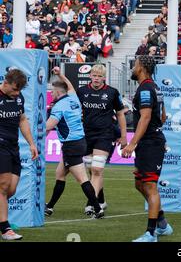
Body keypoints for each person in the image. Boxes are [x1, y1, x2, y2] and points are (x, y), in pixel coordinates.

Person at [121, 56, 172, 242]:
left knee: (150, 186)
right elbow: (164, 116)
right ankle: (162, 223)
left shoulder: (145, 89)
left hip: (150, 143)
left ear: (141, 67)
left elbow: (145, 117)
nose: (133, 69)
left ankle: (151, 233)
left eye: (134, 65)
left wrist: (132, 142)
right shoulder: (156, 88)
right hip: (150, 141)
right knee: (140, 184)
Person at [45, 67, 103, 219]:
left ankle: (97, 208)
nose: (51, 93)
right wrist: (61, 75)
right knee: (59, 174)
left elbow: (49, 126)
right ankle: (49, 206)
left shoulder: (59, 106)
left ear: (58, 93)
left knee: (82, 179)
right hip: (79, 142)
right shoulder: (73, 98)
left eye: (52, 91)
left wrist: (30, 126)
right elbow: (70, 86)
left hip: (71, 146)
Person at [76, 64, 128, 216]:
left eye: (100, 76)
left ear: (104, 77)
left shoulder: (112, 92)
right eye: (94, 75)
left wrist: (123, 135)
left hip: (105, 135)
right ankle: (101, 200)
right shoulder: (82, 91)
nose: (97, 78)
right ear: (90, 75)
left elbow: (120, 114)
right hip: (86, 135)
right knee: (90, 170)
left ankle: (91, 204)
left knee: (97, 169)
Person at [0, 69, 38, 240]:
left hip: (13, 147)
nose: (17, 93)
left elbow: (22, 120)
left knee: (11, 190)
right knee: (3, 185)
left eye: (20, 91)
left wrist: (31, 144)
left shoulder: (19, 98)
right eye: (15, 89)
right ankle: (5, 229)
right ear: (5, 83)